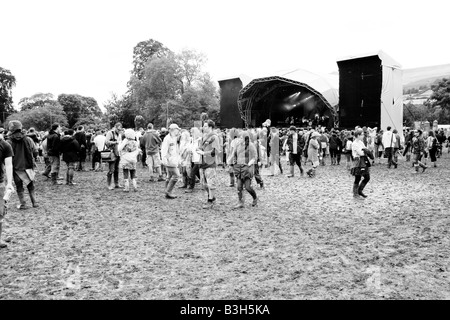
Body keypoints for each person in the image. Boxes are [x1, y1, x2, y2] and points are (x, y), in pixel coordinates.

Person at [6, 120, 39, 209]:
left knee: (19, 187)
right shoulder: (28, 139)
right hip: (28, 166)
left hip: (15, 167)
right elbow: (35, 151)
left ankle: (23, 204)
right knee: (31, 186)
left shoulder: (9, 141)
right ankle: (34, 203)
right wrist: (34, 159)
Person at [227, 131, 258, 209]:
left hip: (247, 168)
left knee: (248, 187)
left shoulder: (250, 145)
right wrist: (232, 162)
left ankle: (255, 198)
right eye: (239, 137)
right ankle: (240, 202)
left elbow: (255, 156)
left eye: (241, 137)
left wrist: (250, 163)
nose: (239, 139)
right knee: (239, 186)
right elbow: (234, 154)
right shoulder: (237, 145)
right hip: (239, 168)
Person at [198, 120, 220, 209]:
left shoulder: (214, 137)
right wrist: (198, 149)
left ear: (210, 127)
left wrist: (203, 153)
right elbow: (201, 148)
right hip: (203, 163)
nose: (203, 127)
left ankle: (210, 201)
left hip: (210, 163)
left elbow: (215, 151)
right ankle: (213, 198)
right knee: (204, 184)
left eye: (205, 126)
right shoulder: (204, 137)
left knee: (211, 183)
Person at [0, 129, 14, 249]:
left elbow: (9, 165)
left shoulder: (5, 145)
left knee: (0, 213)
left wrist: (9, 183)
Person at [161, 123, 181, 199]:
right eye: (177, 129)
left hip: (173, 160)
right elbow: (164, 150)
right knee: (176, 176)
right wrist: (164, 159)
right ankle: (168, 192)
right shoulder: (167, 139)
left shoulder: (174, 138)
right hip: (169, 160)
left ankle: (167, 191)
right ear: (173, 130)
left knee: (169, 176)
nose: (178, 131)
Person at [351, 129, 372, 200]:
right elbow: (361, 153)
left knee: (367, 177)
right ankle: (355, 193)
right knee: (358, 178)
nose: (363, 136)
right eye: (362, 134)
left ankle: (359, 190)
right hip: (358, 161)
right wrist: (366, 151)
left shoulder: (361, 142)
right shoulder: (354, 143)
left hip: (363, 160)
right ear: (358, 135)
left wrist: (366, 151)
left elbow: (365, 150)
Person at [105, 122, 123, 190]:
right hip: (112, 153)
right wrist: (115, 142)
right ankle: (108, 184)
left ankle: (116, 183)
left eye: (120, 130)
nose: (119, 130)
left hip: (118, 153)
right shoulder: (110, 133)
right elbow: (106, 142)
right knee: (111, 169)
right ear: (115, 127)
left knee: (117, 169)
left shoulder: (119, 134)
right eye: (118, 129)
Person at [185, 127, 202, 193]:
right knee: (197, 173)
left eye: (192, 132)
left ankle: (191, 187)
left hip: (198, 158)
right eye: (190, 132)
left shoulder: (200, 140)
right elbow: (189, 147)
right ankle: (205, 183)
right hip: (192, 158)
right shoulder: (191, 140)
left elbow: (201, 148)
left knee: (192, 173)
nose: (191, 133)